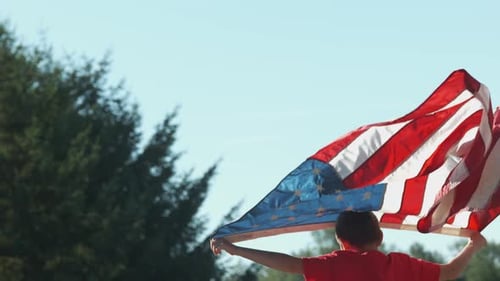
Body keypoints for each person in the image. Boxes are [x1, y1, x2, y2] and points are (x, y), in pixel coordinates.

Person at [210, 211, 487, 281]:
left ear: (340, 240)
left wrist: (236, 249)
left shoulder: (334, 265)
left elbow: (287, 263)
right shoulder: (400, 265)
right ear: (380, 238)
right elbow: (449, 272)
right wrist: (472, 245)